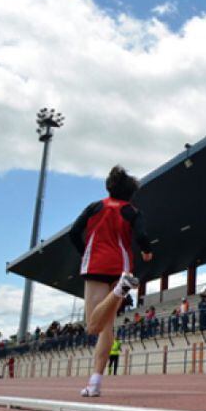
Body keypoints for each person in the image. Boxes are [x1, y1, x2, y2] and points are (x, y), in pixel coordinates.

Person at [69, 165, 153, 397]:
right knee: (107, 327)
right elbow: (142, 236)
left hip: (96, 266)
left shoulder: (94, 207)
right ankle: (95, 383)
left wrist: (86, 251)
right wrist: (146, 251)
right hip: (121, 267)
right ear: (130, 193)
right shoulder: (132, 212)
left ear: (109, 187)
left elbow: (73, 233)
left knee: (94, 326)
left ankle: (119, 290)